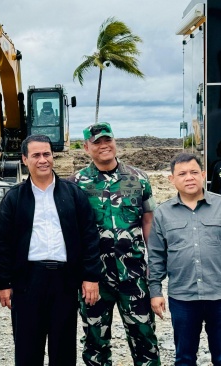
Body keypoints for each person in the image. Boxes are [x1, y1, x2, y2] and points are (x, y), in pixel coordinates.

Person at [0, 134, 103, 365]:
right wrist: (4, 283)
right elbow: (2, 243)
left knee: (63, 349)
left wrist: (91, 276)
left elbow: (89, 236)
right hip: (27, 282)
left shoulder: (73, 194)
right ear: (25, 159)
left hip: (64, 281)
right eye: (36, 155)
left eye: (47, 154)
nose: (43, 160)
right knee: (27, 349)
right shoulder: (14, 198)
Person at [68, 122, 160, 365]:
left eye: (107, 140)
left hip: (134, 274)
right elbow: (72, 232)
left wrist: (156, 263)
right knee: (95, 343)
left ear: (114, 141)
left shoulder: (138, 178)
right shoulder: (75, 184)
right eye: (97, 142)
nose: (104, 146)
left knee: (145, 339)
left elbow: (148, 222)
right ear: (86, 147)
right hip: (94, 279)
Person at [148, 152, 221, 365]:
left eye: (194, 172)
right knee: (185, 358)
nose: (189, 177)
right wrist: (155, 292)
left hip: (219, 296)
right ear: (172, 179)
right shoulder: (163, 213)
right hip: (183, 298)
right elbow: (156, 256)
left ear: (203, 175)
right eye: (182, 174)